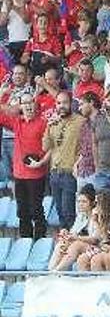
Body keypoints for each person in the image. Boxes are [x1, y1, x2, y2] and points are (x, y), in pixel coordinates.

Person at [0, 92, 48, 238]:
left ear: (35, 104)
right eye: (25, 103)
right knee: (22, 210)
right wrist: (2, 94)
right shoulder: (17, 123)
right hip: (19, 174)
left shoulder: (44, 122)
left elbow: (51, 147)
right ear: (20, 106)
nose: (28, 105)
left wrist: (41, 161)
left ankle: (40, 239)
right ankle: (25, 239)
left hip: (36, 174)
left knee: (36, 209)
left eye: (30, 102)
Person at [43, 92, 87, 230]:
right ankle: (65, 245)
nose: (61, 106)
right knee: (60, 213)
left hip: (70, 173)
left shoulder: (81, 121)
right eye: (59, 103)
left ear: (71, 104)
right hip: (55, 173)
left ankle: (73, 244)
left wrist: (79, 163)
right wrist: (48, 126)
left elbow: (87, 147)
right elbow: (45, 147)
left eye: (65, 103)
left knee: (69, 213)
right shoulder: (54, 122)